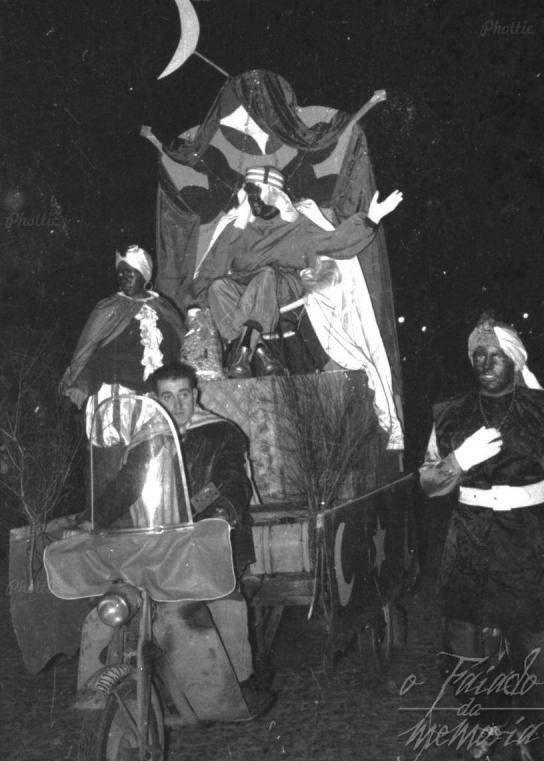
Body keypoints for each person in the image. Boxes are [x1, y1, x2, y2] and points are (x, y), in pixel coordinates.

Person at [419, 313, 544, 761]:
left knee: (540, 661)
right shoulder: (450, 413)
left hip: (532, 545)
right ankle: (487, 722)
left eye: (494, 354)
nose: (484, 362)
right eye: (477, 355)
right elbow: (428, 482)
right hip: (469, 545)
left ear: (515, 358)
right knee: (470, 655)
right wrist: (458, 460)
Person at [85, 361, 270, 718]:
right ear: (156, 400)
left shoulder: (221, 432)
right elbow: (127, 484)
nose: (177, 404)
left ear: (195, 395)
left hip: (214, 540)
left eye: (184, 394)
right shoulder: (148, 438)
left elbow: (233, 478)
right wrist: (91, 520)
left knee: (224, 603)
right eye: (167, 397)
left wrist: (222, 512)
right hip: (160, 545)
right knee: (117, 603)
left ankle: (241, 685)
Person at [189, 165, 403, 378]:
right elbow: (210, 268)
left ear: (276, 196)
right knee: (217, 287)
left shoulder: (298, 225)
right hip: (245, 282)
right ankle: (261, 352)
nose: (255, 202)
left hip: (283, 283)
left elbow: (335, 242)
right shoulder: (236, 229)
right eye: (251, 195)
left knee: (266, 276)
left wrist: (370, 219)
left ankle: (244, 352)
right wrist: (195, 304)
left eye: (260, 195)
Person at [60, 244, 185, 435]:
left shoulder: (164, 308)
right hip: (117, 403)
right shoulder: (109, 308)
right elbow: (92, 355)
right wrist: (82, 383)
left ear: (144, 274)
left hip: (159, 402)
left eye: (130, 272)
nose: (124, 278)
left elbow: (179, 349)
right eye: (120, 273)